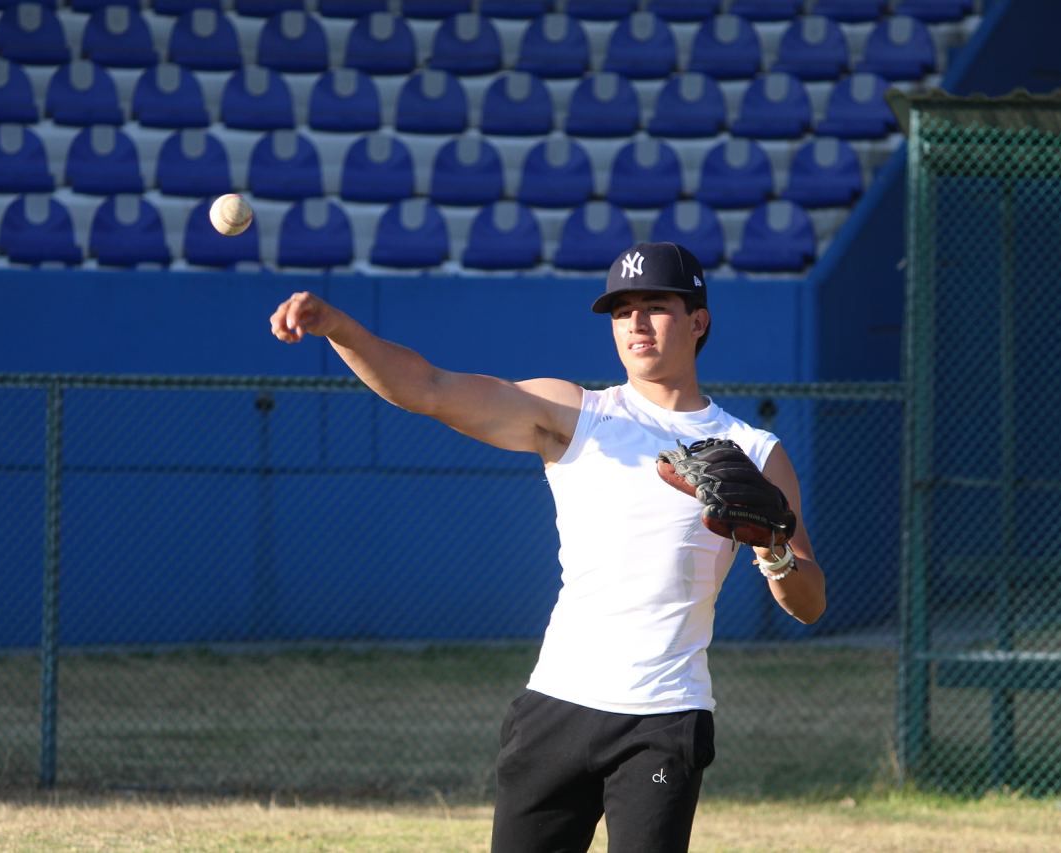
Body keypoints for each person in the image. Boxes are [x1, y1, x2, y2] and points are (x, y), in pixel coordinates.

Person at [269, 241, 827, 853]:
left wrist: (772, 545)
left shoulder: (753, 452)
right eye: (622, 311)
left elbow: (809, 604)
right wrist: (339, 327)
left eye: (655, 306)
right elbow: (427, 387)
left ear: (698, 321)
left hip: (665, 718)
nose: (636, 323)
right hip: (557, 706)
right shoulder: (574, 414)